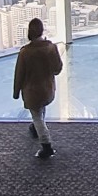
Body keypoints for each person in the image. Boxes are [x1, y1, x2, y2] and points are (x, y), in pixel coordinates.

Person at [11, 19, 63, 160]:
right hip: (47, 89)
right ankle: (36, 128)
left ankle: (47, 146)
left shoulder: (25, 52)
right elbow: (57, 69)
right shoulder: (50, 48)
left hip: (32, 92)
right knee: (40, 111)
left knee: (37, 116)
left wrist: (16, 92)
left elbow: (19, 74)